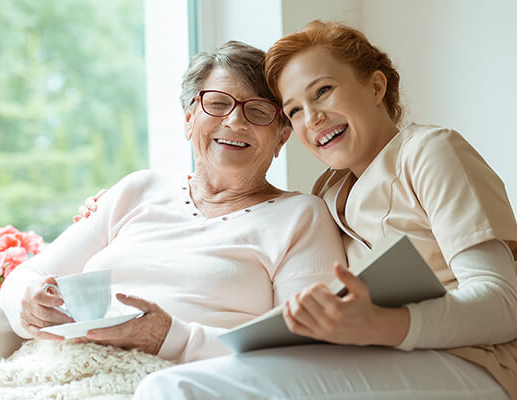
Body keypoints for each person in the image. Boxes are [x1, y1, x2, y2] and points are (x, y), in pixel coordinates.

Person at [130, 20, 517, 399]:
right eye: (294, 110)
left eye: (323, 91)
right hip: (380, 357)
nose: (312, 118)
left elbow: (502, 304)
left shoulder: (430, 151)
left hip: (475, 362)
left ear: (376, 86)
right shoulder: (328, 194)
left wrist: (382, 325)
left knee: (171, 387)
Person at [0, 40, 346, 364]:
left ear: (281, 137)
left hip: (184, 383)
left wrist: (172, 338)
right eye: (218, 103)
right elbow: (30, 274)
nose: (235, 120)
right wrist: (27, 303)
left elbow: (302, 348)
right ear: (188, 120)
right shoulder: (138, 189)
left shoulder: (301, 216)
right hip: (62, 367)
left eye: (258, 111)